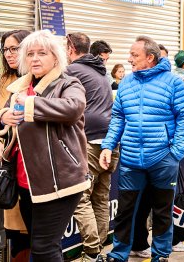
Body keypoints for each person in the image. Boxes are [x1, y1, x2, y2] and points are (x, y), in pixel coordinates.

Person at [0, 29, 90, 261]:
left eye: (42, 53)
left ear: (56, 57)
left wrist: (31, 105)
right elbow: (3, 116)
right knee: (44, 244)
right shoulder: (18, 87)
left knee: (43, 248)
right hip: (26, 181)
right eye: (30, 54)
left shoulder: (68, 83)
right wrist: (3, 117)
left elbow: (73, 108)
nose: (35, 58)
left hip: (58, 181)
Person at [99, 35, 184, 262]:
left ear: (150, 57)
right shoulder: (127, 84)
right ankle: (118, 254)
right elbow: (118, 118)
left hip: (163, 158)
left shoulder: (173, 83)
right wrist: (108, 146)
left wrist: (176, 153)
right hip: (131, 159)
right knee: (125, 212)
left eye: (134, 55)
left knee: (162, 212)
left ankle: (160, 254)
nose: (129, 59)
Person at [65, 32, 119, 262]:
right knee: (100, 197)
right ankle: (100, 250)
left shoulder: (72, 70)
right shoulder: (101, 70)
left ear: (70, 48)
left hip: (90, 141)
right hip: (110, 142)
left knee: (81, 198)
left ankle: (91, 252)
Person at [0, 29, 31, 261]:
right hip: (10, 159)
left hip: (32, 160)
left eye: (14, 48)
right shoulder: (6, 80)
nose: (9, 53)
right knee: (14, 226)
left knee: (34, 229)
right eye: (5, 49)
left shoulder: (37, 78)